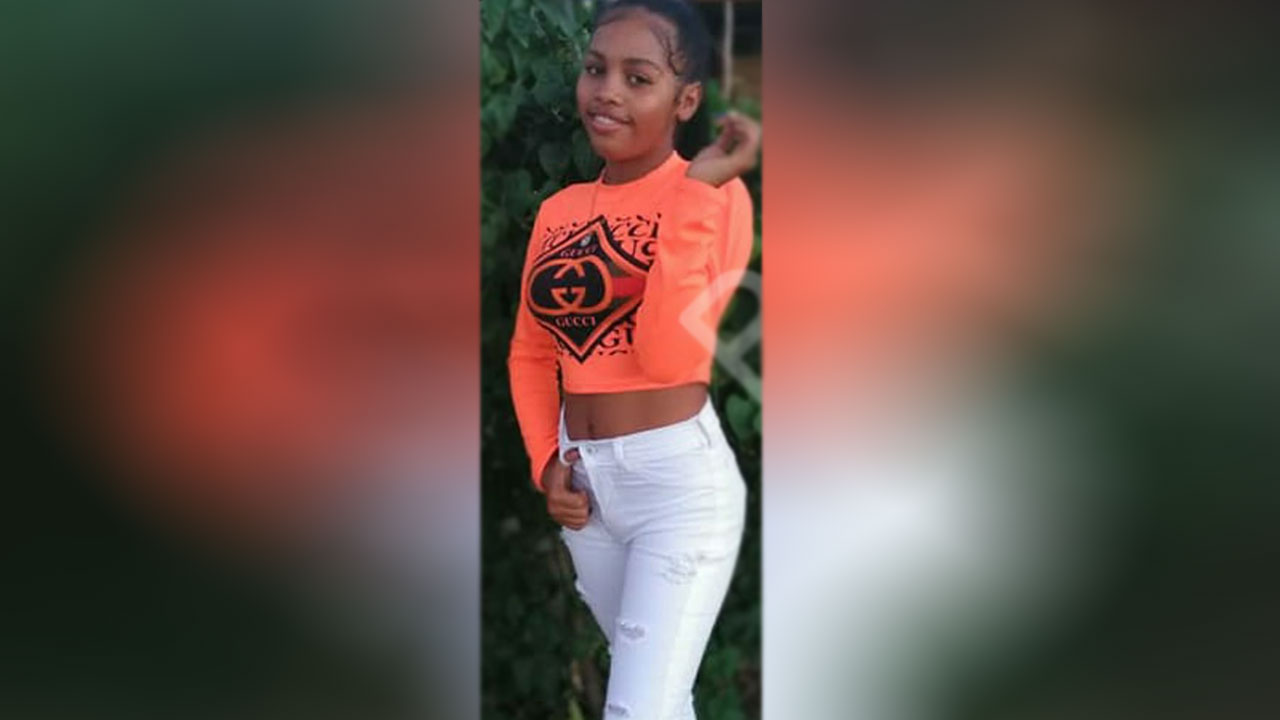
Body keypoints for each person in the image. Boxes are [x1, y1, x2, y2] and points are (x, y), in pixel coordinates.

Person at [507, 0, 761, 716]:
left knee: (637, 709)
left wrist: (695, 193)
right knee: (655, 700)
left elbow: (667, 355)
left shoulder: (719, 199)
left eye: (638, 77)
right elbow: (532, 350)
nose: (607, 91)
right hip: (586, 492)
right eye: (596, 69)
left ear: (687, 100)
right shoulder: (559, 211)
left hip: (674, 488)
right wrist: (544, 462)